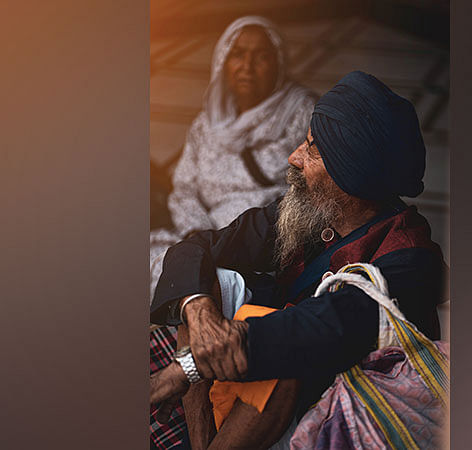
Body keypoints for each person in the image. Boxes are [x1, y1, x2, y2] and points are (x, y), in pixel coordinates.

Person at [150, 71, 447, 449]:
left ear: (350, 176)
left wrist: (185, 368)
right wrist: (201, 314)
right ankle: (202, 440)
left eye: (312, 149)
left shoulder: (409, 261)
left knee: (286, 355)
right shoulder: (315, 211)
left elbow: (319, 328)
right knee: (207, 285)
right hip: (285, 362)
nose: (294, 157)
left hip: (337, 405)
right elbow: (197, 247)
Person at [150, 16, 317, 300]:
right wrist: (198, 237)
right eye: (237, 55)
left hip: (265, 245)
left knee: (212, 289)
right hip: (202, 235)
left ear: (278, 62)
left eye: (261, 56)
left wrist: (231, 244)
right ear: (223, 62)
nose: (247, 67)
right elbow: (184, 189)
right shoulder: (207, 123)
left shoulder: (302, 113)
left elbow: (313, 188)